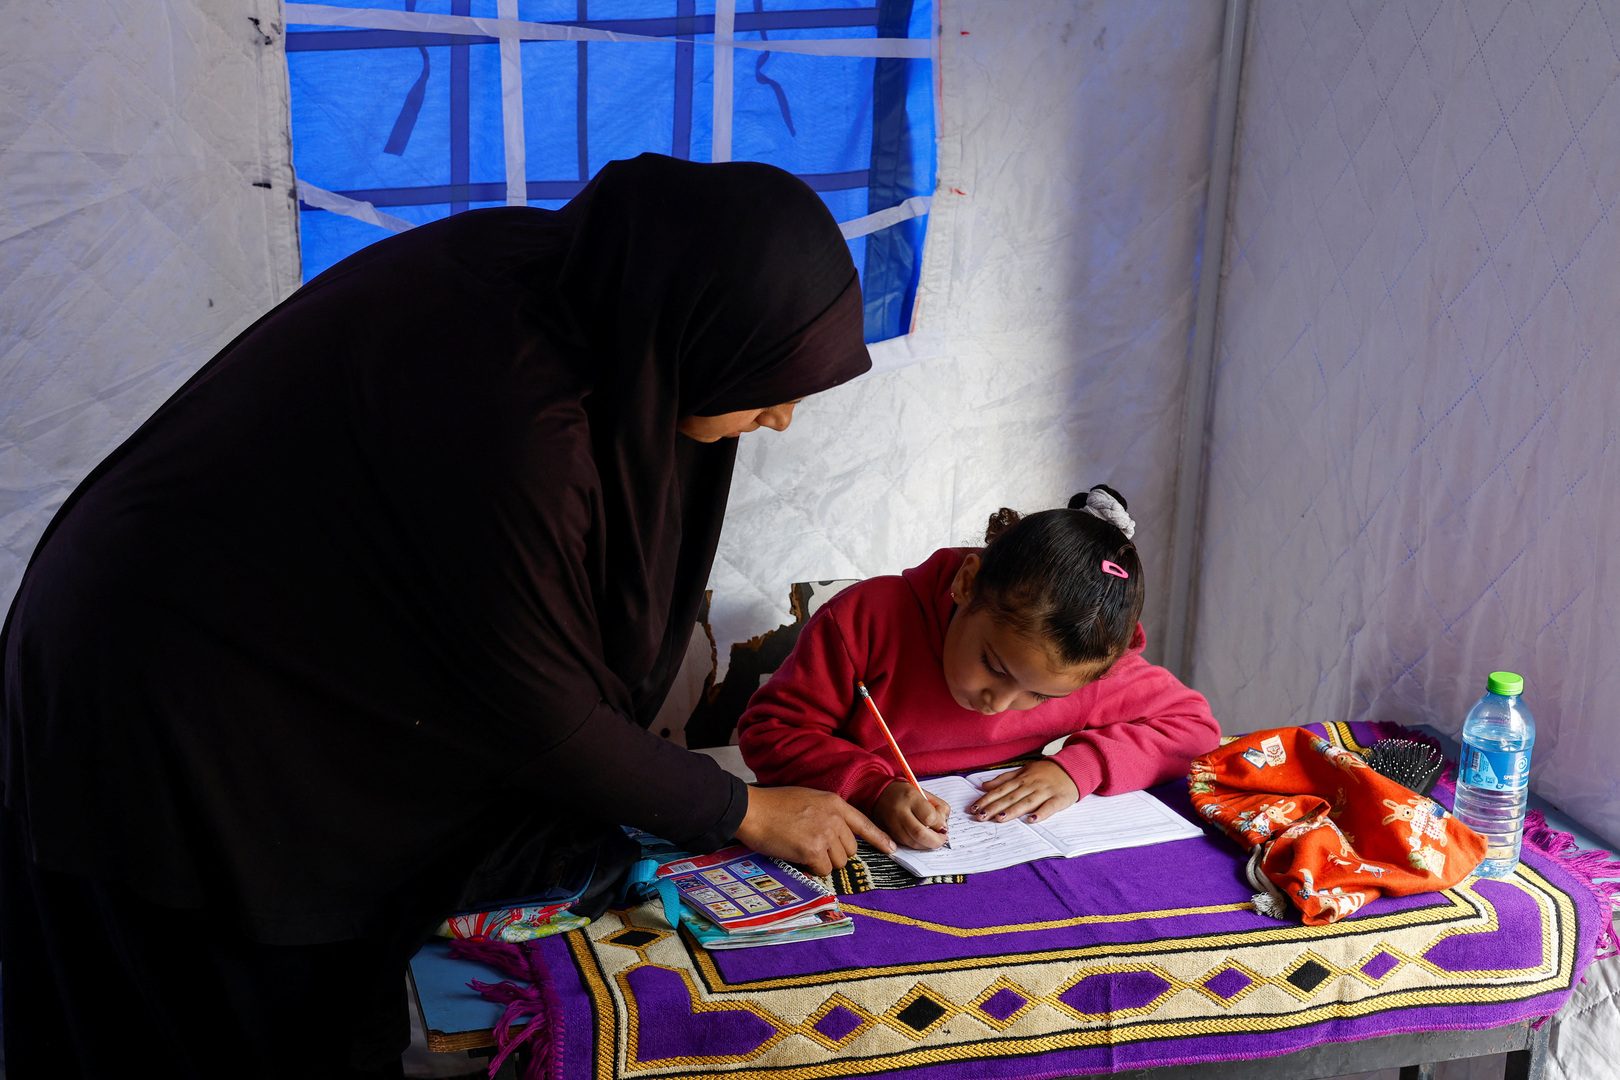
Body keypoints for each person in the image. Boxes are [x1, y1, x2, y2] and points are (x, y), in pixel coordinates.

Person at [0, 153, 894, 1077]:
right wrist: (738, 807)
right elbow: (535, 712)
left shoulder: (568, 282)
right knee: (213, 1024)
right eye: (768, 383)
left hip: (237, 645)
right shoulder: (511, 419)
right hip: (166, 692)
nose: (783, 418)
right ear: (685, 332)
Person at [737, 486, 1222, 851]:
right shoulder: (868, 621)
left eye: (1041, 697)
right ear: (967, 583)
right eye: (994, 665)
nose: (999, 704)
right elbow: (769, 732)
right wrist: (871, 788)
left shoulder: (1091, 666)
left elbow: (1195, 729)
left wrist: (1080, 769)